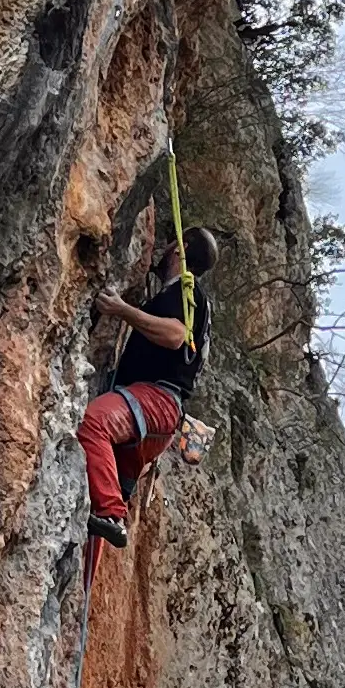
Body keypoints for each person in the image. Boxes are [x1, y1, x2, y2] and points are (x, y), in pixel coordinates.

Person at [74, 221, 218, 547]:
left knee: (95, 421)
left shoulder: (186, 288)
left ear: (178, 249)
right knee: (108, 480)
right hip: (155, 422)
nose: (164, 249)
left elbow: (175, 335)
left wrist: (122, 310)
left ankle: (112, 515)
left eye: (170, 244)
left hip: (155, 401)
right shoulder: (188, 299)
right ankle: (108, 517)